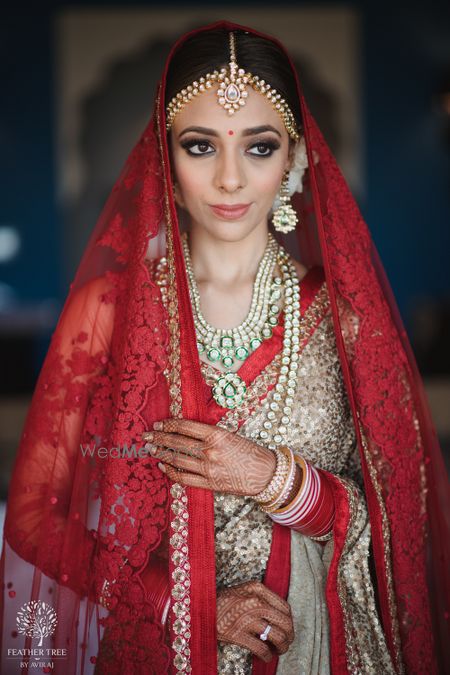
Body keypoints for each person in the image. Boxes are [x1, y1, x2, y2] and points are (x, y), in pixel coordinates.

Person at [0, 19, 448, 675]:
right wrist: (186, 603)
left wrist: (276, 479)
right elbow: (40, 516)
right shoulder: (109, 313)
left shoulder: (345, 322)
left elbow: (406, 527)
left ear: (293, 157)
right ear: (164, 156)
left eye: (259, 147)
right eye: (202, 146)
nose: (231, 178)